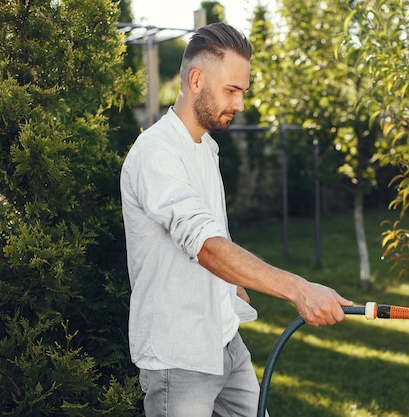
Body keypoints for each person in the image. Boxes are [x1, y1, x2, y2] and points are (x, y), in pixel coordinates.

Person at [120, 22, 353, 417]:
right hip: (180, 359)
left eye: (242, 91)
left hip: (224, 340)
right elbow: (206, 246)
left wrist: (227, 288)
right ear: (196, 80)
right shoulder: (156, 154)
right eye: (232, 90)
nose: (240, 103)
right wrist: (298, 289)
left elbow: (211, 238)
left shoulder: (205, 147)